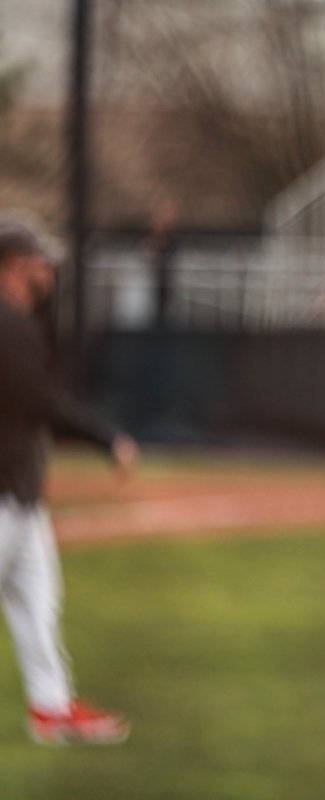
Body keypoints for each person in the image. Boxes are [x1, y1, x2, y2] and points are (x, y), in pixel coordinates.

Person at [0, 214, 137, 745]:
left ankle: (51, 707)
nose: (48, 274)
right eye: (39, 264)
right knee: (35, 598)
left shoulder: (16, 320)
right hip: (4, 490)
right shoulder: (8, 325)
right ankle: (51, 707)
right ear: (15, 264)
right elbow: (43, 402)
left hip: (20, 493)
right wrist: (106, 438)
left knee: (37, 600)